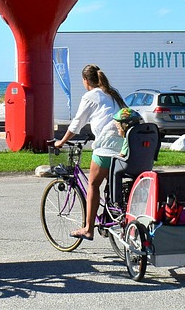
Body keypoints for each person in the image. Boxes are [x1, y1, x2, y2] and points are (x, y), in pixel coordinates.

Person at [53, 64, 126, 239]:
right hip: (123, 145)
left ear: (86, 81)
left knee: (93, 185)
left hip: (106, 146)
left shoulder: (90, 96)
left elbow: (77, 124)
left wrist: (61, 142)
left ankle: (88, 229)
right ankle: (114, 214)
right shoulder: (112, 93)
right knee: (112, 185)